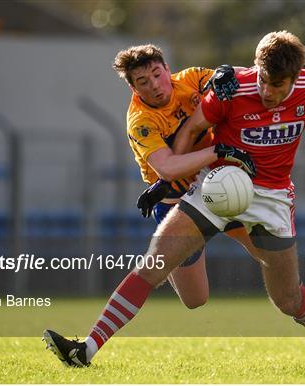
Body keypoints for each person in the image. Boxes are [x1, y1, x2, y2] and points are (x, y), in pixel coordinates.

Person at [44, 31, 305, 368]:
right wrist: (170, 178)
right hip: (214, 185)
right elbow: (187, 136)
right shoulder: (157, 116)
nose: (268, 91)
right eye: (263, 80)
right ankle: (85, 349)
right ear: (256, 68)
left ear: (295, 79)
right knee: (157, 269)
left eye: (278, 85)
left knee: (287, 298)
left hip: (271, 198)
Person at [111, 44, 258, 309]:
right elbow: (167, 169)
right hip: (175, 203)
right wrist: (218, 150)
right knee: (195, 299)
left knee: (269, 255)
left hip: (220, 184)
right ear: (134, 88)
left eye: (157, 74)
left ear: (168, 69)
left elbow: (241, 77)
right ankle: (173, 253)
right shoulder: (141, 121)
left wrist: (227, 71)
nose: (154, 85)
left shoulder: (190, 79)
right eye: (143, 81)